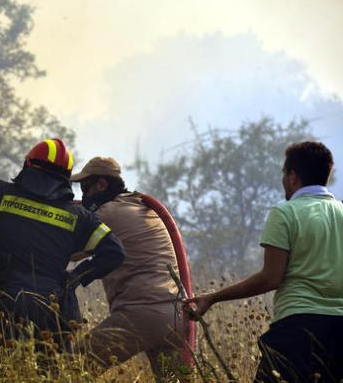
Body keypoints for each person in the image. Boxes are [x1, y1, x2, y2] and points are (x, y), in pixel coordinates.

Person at [0, 138, 125, 365]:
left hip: (6, 308)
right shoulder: (80, 218)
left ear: (28, 166)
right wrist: (76, 278)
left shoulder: (1, 195)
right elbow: (114, 251)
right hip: (53, 310)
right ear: (65, 179)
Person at [185, 141, 343, 383]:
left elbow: (271, 278)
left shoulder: (285, 213)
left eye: (283, 173)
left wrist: (214, 297)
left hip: (298, 329)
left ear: (292, 176)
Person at [70, 156, 190, 379]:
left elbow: (70, 251)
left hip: (141, 315)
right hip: (176, 315)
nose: (83, 195)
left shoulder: (107, 214)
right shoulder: (140, 207)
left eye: (85, 188)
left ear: (101, 185)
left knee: (71, 368)